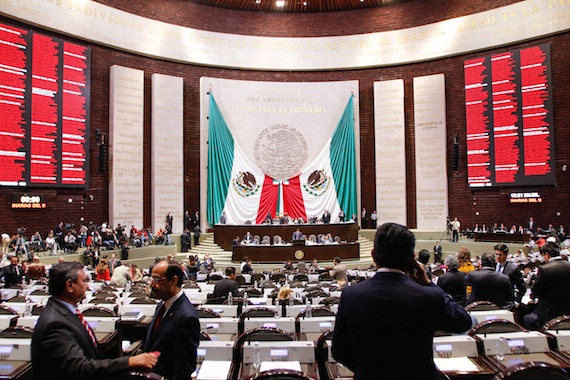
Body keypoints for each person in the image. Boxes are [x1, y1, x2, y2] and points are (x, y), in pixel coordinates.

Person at [332, 223, 472, 379]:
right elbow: (463, 322)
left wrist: (368, 369)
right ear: (412, 259)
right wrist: (428, 284)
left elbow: (339, 351)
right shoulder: (428, 296)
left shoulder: (350, 296)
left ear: (373, 255)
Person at [31, 262, 157, 379]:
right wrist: (130, 361)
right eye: (84, 281)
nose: (87, 285)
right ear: (69, 285)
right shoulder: (55, 324)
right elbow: (79, 367)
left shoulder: (64, 312)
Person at [144, 259, 200, 380]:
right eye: (152, 279)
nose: (152, 284)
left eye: (157, 280)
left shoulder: (187, 317)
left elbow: (184, 369)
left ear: (173, 280)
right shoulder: (162, 305)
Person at [523, 242, 570, 330]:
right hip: (567, 312)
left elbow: (535, 291)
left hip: (549, 314)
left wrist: (532, 296)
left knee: (528, 319)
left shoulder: (545, 269)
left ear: (546, 254)